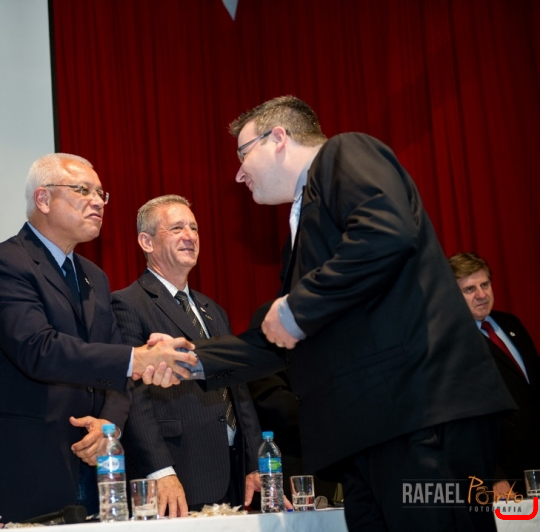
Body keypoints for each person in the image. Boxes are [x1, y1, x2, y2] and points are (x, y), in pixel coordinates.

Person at [176, 96, 516, 531]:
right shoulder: (300, 230)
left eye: (243, 154)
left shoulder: (345, 152)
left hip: (421, 419)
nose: (239, 173)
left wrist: (297, 307)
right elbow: (279, 335)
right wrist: (192, 359)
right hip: (368, 435)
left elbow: (386, 233)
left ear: (278, 138)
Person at [0, 154, 196, 522]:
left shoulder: (94, 277)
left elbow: (116, 371)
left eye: (101, 193)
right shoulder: (4, 265)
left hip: (95, 467)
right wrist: (136, 358)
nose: (98, 201)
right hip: (26, 468)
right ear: (43, 199)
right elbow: (39, 350)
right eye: (83, 190)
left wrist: (109, 425)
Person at [112, 195, 263, 516]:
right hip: (178, 471)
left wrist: (254, 462)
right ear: (146, 242)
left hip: (234, 472)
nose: (190, 236)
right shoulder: (128, 304)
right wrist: (161, 470)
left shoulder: (214, 310)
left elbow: (239, 392)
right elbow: (132, 396)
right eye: (177, 228)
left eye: (194, 228)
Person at [449, 252, 540, 496]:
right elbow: (464, 421)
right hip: (503, 475)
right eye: (469, 289)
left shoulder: (511, 324)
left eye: (485, 284)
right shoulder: (452, 344)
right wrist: (493, 476)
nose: (481, 295)